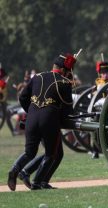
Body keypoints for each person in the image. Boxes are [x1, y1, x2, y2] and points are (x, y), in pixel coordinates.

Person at [7, 52, 77, 191]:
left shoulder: (37, 77)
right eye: (68, 71)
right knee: (52, 154)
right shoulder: (64, 83)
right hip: (49, 121)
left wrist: (32, 111)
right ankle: (37, 182)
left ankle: (14, 170)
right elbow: (68, 110)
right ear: (63, 70)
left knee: (29, 153)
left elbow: (22, 97)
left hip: (31, 119)